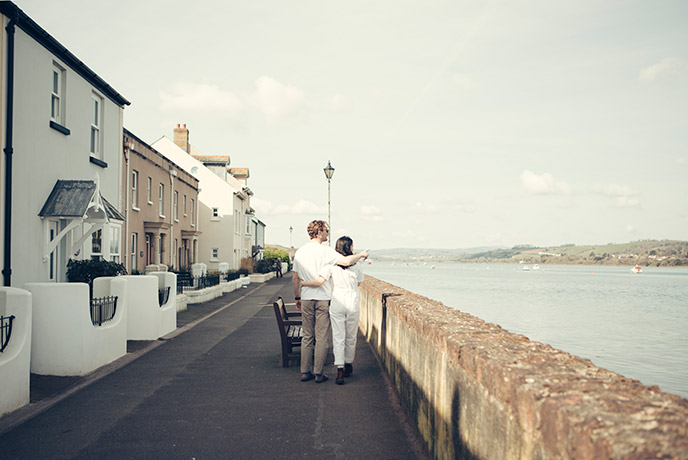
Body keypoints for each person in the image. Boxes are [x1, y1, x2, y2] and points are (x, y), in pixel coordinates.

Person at [293, 220, 368, 383]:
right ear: (319, 232)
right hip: (324, 298)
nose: (327, 233)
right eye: (326, 230)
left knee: (307, 336)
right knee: (322, 337)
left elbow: (295, 277)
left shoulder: (300, 252)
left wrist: (297, 296)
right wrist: (362, 255)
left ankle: (305, 372)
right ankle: (319, 373)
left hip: (306, 297)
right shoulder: (326, 252)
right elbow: (347, 262)